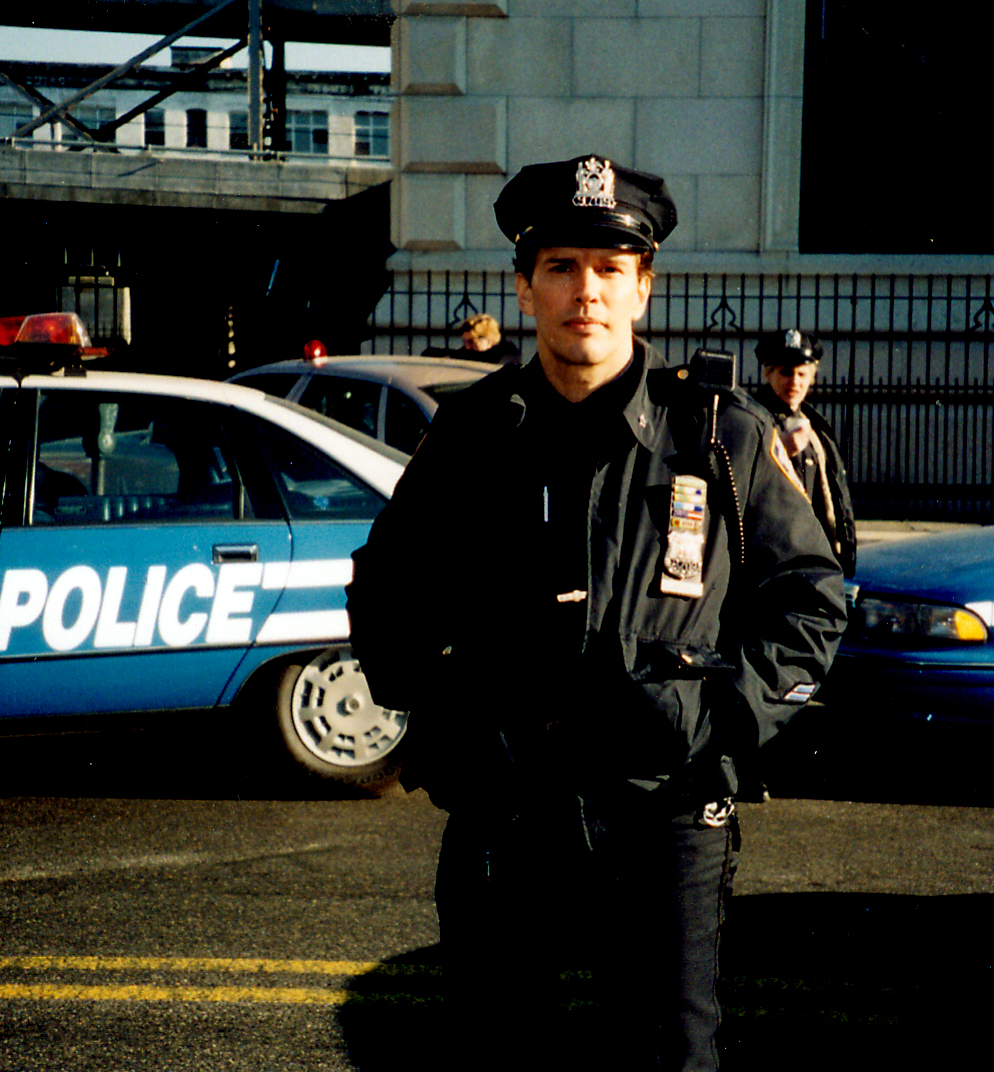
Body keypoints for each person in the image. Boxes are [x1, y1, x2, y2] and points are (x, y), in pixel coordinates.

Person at [347, 154, 847, 1072]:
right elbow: (384, 591)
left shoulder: (719, 434)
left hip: (665, 816)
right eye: (562, 267)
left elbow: (810, 597)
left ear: (643, 289)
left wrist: (724, 720)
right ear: (525, 286)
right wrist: (449, 724)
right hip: (507, 815)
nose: (587, 291)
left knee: (667, 1058)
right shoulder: (473, 433)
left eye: (611, 269)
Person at [752, 329, 859, 567]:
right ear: (768, 374)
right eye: (786, 373)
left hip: (812, 549)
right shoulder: (753, 419)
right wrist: (781, 451)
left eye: (802, 374)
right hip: (774, 554)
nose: (795, 382)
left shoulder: (815, 426)